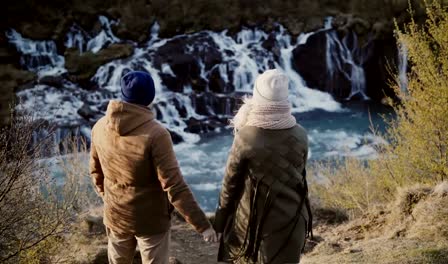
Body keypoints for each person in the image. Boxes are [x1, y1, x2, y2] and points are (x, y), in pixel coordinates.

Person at [89, 71, 217, 264]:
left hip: (116, 214)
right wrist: (203, 225)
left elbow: (95, 172)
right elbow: (174, 186)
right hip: (150, 221)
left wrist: (109, 198)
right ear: (150, 97)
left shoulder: (99, 127)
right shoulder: (156, 134)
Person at [214, 69, 313, 264]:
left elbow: (230, 185)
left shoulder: (246, 136)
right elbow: (299, 178)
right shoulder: (300, 134)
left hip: (256, 228)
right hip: (294, 223)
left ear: (258, 96)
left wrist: (219, 222)